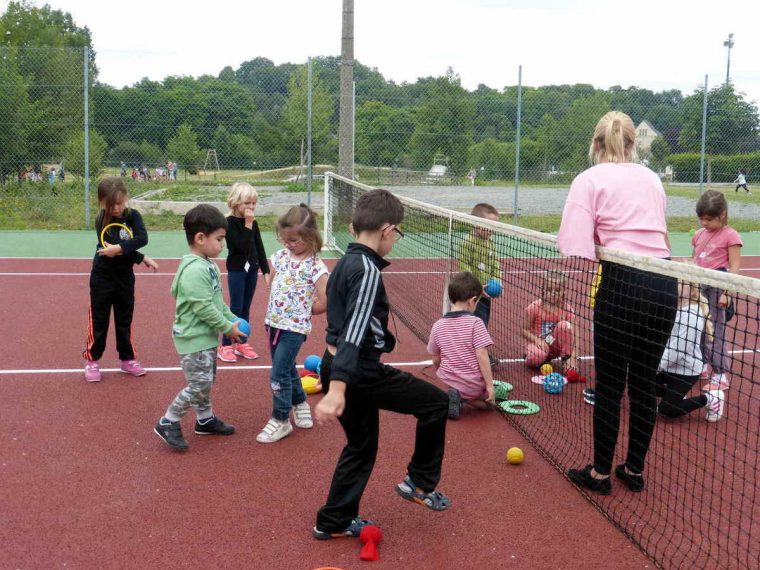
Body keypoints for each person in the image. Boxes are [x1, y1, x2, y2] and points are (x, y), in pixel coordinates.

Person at [313, 189, 450, 540]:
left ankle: (333, 520)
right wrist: (339, 387)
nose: (396, 240)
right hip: (358, 372)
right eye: (398, 234)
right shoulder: (368, 270)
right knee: (435, 403)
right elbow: (354, 332)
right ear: (388, 230)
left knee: (361, 446)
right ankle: (419, 482)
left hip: (335, 364)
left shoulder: (344, 261)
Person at [558, 111, 677, 495]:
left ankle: (599, 474)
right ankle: (635, 470)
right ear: (632, 143)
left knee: (610, 387)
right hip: (663, 282)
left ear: (596, 144)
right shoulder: (652, 177)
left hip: (623, 284)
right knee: (644, 383)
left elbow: (574, 246)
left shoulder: (588, 179)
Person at [154, 204, 241, 450]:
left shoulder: (209, 266)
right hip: (193, 338)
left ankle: (204, 420)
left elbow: (217, 302)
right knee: (199, 384)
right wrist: (227, 328)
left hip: (206, 338)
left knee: (206, 379)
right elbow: (203, 308)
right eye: (219, 239)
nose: (222, 245)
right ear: (200, 238)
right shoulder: (194, 271)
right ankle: (168, 421)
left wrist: (231, 319)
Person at [256, 204, 328, 443]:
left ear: (310, 237)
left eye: (293, 240)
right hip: (273, 323)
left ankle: (280, 419)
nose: (287, 244)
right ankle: (299, 401)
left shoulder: (316, 266)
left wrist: (303, 311)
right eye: (284, 239)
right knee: (286, 368)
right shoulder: (280, 256)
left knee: (277, 374)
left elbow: (325, 300)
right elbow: (271, 278)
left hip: (294, 329)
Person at [83, 177, 159, 382]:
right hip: (102, 277)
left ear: (125, 199)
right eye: (111, 204)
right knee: (99, 320)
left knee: (124, 319)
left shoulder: (133, 216)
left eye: (119, 203)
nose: (116, 208)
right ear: (101, 202)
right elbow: (112, 247)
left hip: (124, 278)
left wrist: (130, 252)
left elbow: (142, 239)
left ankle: (127, 359)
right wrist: (139, 256)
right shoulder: (102, 220)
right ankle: (92, 360)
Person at [692, 190, 743, 391]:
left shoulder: (731, 236)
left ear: (722, 215)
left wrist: (727, 293)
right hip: (699, 288)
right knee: (699, 328)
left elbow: (735, 268)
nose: (704, 223)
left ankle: (721, 374)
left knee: (716, 330)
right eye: (701, 218)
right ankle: (703, 364)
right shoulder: (698, 235)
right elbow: (694, 261)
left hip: (717, 289)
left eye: (709, 219)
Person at [427, 271, 495, 419]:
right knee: (490, 405)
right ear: (472, 301)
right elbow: (482, 355)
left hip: (448, 381)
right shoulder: (476, 323)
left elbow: (435, 359)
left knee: (454, 384)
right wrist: (489, 386)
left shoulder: (438, 326)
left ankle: (456, 396)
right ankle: (468, 399)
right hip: (472, 386)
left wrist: (443, 375)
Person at [656, 279, 724, 422]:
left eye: (683, 284)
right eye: (676, 283)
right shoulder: (673, 307)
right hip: (670, 366)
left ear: (692, 290)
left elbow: (677, 351)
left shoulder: (691, 316)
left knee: (667, 410)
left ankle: (710, 398)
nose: (678, 286)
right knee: (639, 383)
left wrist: (655, 366)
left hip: (686, 371)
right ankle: (675, 395)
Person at [217, 182, 270, 363]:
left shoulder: (253, 223)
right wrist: (247, 224)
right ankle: (224, 345)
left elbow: (258, 246)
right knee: (235, 308)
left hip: (252, 270)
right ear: (236, 202)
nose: (251, 207)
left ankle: (241, 342)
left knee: (246, 308)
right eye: (247, 203)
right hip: (237, 270)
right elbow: (240, 246)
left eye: (254, 203)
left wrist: (266, 270)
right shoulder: (228, 223)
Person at [457, 203, 501, 365]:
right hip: (472, 295)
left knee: (483, 322)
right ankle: (476, 355)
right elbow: (464, 269)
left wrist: (498, 281)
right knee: (475, 324)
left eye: (495, 226)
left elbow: (495, 263)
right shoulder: (467, 243)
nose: (492, 230)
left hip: (487, 293)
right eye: (489, 225)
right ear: (477, 224)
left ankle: (476, 353)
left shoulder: (490, 243)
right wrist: (476, 288)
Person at [521, 270, 578, 373]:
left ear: (564, 291)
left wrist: (573, 357)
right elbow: (524, 330)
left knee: (565, 326)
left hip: (555, 347)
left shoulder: (567, 310)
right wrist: (537, 340)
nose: (553, 293)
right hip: (539, 345)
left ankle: (567, 359)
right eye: (549, 289)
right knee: (535, 357)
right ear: (543, 290)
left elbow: (576, 336)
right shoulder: (534, 307)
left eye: (557, 290)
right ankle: (533, 355)